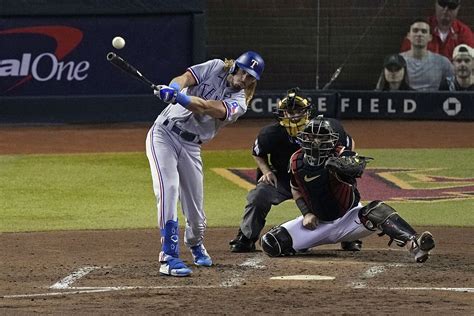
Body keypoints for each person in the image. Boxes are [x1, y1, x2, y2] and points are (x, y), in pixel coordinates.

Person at [147, 51, 265, 277]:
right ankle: (169, 256)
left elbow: (207, 108)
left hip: (192, 146)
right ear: (236, 67)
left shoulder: (239, 104)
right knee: (168, 189)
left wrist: (180, 98)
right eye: (244, 72)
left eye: (251, 78)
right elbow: (183, 79)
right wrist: (172, 88)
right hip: (163, 134)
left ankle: (195, 243)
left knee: (196, 215)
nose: (245, 79)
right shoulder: (216, 66)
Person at [260, 116, 436, 264]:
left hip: (350, 218)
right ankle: (304, 244)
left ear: (332, 140)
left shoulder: (341, 154)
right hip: (317, 223)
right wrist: (306, 213)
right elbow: (295, 189)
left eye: (321, 137)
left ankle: (415, 245)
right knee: (271, 243)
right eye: (312, 137)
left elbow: (356, 166)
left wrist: (344, 166)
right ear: (304, 138)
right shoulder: (296, 160)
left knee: (377, 209)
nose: (316, 141)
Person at [229, 88, 362, 253]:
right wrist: (266, 171)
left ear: (308, 111)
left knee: (345, 189)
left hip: (320, 178)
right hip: (283, 179)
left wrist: (344, 165)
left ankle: (350, 237)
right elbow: (257, 153)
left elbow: (349, 142)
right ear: (281, 113)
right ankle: (246, 237)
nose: (294, 116)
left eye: (298, 111)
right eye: (289, 112)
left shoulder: (326, 127)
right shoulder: (270, 134)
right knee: (259, 195)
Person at [400, 0, 474, 60]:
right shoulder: (420, 29)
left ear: (458, 8)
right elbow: (404, 57)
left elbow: (471, 62)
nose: (446, 9)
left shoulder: (464, 33)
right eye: (442, 3)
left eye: (451, 6)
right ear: (436, 4)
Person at [400, 19, 454, 91]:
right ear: (408, 36)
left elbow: (454, 87)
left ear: (430, 37)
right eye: (415, 31)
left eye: (424, 31)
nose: (419, 34)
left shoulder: (442, 62)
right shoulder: (399, 60)